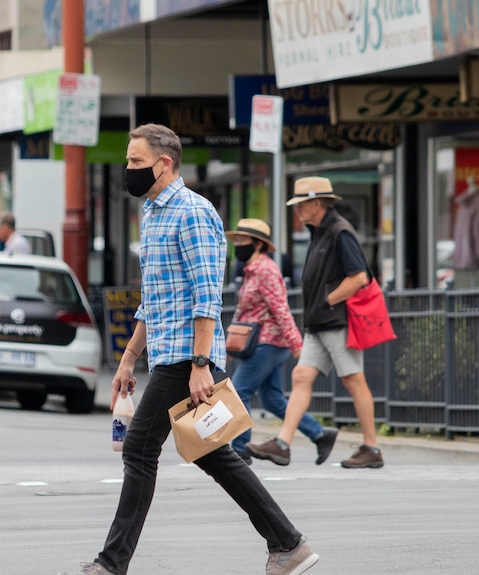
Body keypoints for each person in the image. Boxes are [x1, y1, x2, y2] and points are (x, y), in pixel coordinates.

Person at [60, 124, 318, 575]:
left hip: (186, 357)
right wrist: (127, 358)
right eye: (127, 161)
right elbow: (153, 298)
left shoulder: (194, 212)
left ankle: (110, 564)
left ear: (165, 163)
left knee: (140, 449)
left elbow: (206, 296)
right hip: (166, 353)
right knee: (213, 453)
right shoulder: (153, 212)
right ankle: (288, 543)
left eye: (136, 162)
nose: (128, 169)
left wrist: (201, 364)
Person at [246, 176, 383, 469]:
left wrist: (329, 300)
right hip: (320, 323)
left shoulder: (339, 231)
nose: (297, 211)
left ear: (316, 203)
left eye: (301, 205)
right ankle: (283, 444)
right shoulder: (320, 231)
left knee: (353, 379)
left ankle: (372, 447)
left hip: (336, 321)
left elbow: (360, 277)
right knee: (301, 377)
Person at [225, 218, 338, 465]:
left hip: (269, 343)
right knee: (271, 399)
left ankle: (240, 448)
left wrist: (298, 346)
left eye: (243, 241)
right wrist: (232, 343)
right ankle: (319, 434)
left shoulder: (266, 271)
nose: (238, 245)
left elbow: (281, 310)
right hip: (260, 343)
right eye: (237, 240)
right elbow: (244, 312)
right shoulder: (250, 271)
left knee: (239, 390)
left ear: (257, 244)